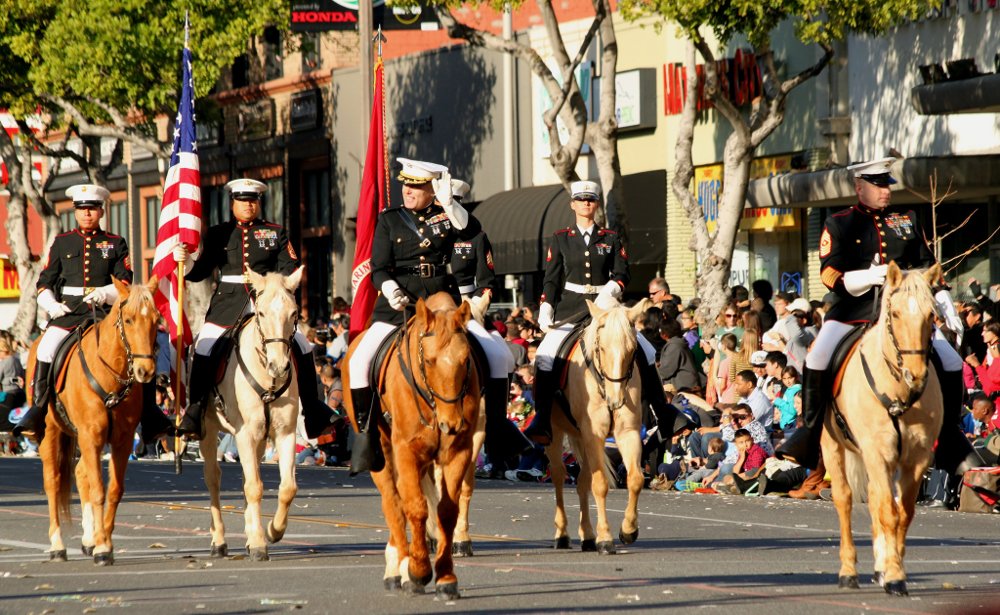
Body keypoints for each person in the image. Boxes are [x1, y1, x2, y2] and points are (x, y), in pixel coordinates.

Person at [776, 157, 982, 476]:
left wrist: (942, 297)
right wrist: (866, 277)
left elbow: (927, 263)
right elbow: (829, 273)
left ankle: (951, 437)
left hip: (906, 309)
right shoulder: (839, 222)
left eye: (887, 185)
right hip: (854, 311)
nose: (886, 192)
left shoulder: (907, 218)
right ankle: (810, 434)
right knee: (816, 359)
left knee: (951, 361)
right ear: (860, 188)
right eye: (878, 185)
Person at [526, 180, 689, 445]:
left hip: (607, 309)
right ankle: (542, 418)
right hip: (571, 309)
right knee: (545, 355)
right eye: (581, 200)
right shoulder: (561, 238)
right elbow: (552, 279)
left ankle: (664, 413)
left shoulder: (611, 237)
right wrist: (546, 306)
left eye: (590, 199)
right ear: (573, 205)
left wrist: (611, 289)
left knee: (645, 350)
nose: (586, 204)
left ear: (596, 204)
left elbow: (623, 273)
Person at [172, 178, 335, 440]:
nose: (249, 205)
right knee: (204, 345)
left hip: (268, 301)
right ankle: (196, 410)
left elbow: (290, 267)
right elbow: (199, 272)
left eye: (253, 200)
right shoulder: (218, 233)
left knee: (303, 345)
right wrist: (185, 261)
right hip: (228, 303)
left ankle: (314, 410)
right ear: (232, 202)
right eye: (243, 200)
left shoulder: (276, 232)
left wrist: (278, 286)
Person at [347, 159, 481, 473]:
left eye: (416, 186)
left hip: (442, 305)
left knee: (491, 354)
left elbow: (472, 233)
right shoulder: (390, 220)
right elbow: (378, 267)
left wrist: (449, 204)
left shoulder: (448, 217)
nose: (408, 191)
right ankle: (364, 438)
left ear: (431, 190)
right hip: (398, 304)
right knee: (358, 362)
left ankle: (499, 430)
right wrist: (390, 287)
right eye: (406, 185)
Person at [13, 184, 173, 444]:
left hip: (106, 314)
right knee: (45, 350)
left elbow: (125, 279)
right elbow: (44, 282)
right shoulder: (62, 242)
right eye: (82, 209)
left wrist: (106, 293)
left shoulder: (115, 243)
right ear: (75, 212)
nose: (87, 213)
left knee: (141, 349)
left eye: (92, 208)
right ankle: (38, 410)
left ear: (101, 211)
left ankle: (149, 413)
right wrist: (52, 305)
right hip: (68, 312)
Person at [448, 177, 526, 462]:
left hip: (468, 306)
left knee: (501, 357)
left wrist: (479, 304)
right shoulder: (425, 233)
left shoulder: (476, 237)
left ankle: (496, 429)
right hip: (431, 306)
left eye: (454, 203)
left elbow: (487, 281)